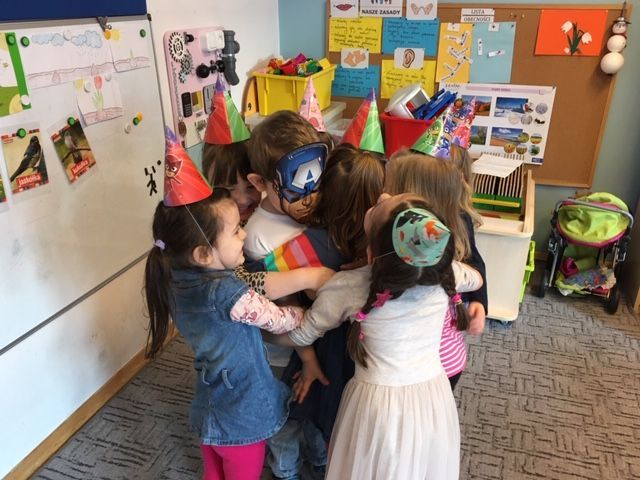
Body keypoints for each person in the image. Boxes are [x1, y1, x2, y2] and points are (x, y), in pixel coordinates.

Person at [144, 128, 329, 480]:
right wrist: (305, 313)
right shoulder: (230, 294)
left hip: (212, 402)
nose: (244, 232)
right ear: (203, 254)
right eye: (235, 232)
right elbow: (277, 319)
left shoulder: (174, 276)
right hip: (242, 412)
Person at [268, 193, 483, 479]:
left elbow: (303, 334)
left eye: (383, 204)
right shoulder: (448, 273)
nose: (384, 194)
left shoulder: (348, 286)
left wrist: (266, 334)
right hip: (432, 396)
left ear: (370, 255)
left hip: (377, 408)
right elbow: (476, 279)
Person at [261, 143, 385, 448]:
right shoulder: (385, 239)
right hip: (364, 349)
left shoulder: (307, 243)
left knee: (308, 402)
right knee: (341, 417)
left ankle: (302, 456)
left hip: (319, 341)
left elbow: (261, 279)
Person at [244, 110, 329, 480]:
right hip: (283, 352)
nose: (309, 198)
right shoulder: (257, 236)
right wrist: (306, 357)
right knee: (285, 417)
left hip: (318, 336)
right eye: (295, 189)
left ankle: (320, 459)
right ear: (259, 182)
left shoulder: (314, 210)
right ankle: (286, 471)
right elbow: (275, 310)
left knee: (316, 408)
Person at [386, 149, 487, 390]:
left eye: (389, 187)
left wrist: (479, 301)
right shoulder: (388, 228)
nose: (383, 194)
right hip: (404, 350)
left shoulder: (459, 221)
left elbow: (474, 262)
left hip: (443, 353)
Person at [202, 77, 260, 225]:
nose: (243, 200)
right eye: (227, 190)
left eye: (250, 186)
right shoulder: (208, 228)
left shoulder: (264, 218)